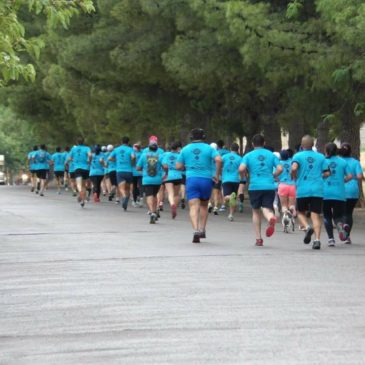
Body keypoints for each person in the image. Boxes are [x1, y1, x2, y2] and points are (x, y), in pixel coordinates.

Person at [176, 128, 222, 243]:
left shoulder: (185, 149)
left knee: (193, 206)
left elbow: (178, 166)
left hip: (191, 179)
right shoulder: (209, 148)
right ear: (204, 137)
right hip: (206, 179)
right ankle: (202, 229)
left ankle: (195, 230)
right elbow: (219, 160)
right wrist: (216, 174)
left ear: (191, 137)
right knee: (204, 205)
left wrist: (185, 166)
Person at [239, 134, 282, 246]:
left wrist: (242, 176)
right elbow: (280, 168)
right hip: (269, 186)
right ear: (264, 143)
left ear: (252, 144)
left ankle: (258, 239)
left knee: (256, 211)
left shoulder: (248, 156)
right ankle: (270, 217)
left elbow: (241, 168)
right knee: (267, 208)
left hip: (255, 186)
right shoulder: (271, 155)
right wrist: (274, 175)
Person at [291, 135, 329, 250]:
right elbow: (327, 173)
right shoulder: (321, 157)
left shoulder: (298, 155)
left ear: (302, 145)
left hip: (303, 189)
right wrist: (319, 176)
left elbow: (293, 168)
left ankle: (307, 228)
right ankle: (317, 241)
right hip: (317, 189)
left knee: (300, 212)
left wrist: (294, 175)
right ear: (313, 145)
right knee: (315, 215)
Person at [322, 142, 352, 246]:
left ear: (326, 150)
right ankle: (341, 225)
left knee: (327, 216)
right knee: (338, 216)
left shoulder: (323, 161)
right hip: (339, 193)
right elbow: (350, 176)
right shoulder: (343, 162)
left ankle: (331, 239)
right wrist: (342, 181)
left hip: (325, 193)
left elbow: (321, 175)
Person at [339, 142, 365, 244]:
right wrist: (354, 177)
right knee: (349, 213)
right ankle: (347, 235)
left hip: (340, 190)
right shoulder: (355, 162)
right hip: (353, 191)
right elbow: (359, 177)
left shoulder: (338, 161)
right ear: (351, 151)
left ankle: (342, 227)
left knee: (339, 213)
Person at [136, 139, 164, 223]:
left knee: (149, 195)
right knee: (154, 195)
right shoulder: (160, 156)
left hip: (147, 179)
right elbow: (165, 166)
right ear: (156, 148)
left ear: (149, 148)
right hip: (158, 180)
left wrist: (143, 170)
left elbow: (138, 168)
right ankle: (155, 211)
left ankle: (152, 212)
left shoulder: (144, 155)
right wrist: (165, 172)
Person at [108, 136, 135, 211]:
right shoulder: (130, 149)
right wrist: (132, 162)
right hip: (129, 171)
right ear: (128, 142)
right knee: (127, 188)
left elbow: (109, 158)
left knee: (121, 188)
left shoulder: (116, 149)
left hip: (120, 171)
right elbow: (133, 157)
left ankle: (124, 197)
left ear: (121, 141)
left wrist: (116, 160)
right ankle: (125, 204)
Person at [68, 137, 92, 207]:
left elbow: (69, 158)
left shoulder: (73, 149)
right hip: (86, 168)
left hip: (77, 168)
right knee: (84, 185)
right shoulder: (87, 148)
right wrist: (89, 161)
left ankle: (80, 193)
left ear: (77, 142)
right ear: (83, 142)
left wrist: (71, 160)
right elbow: (90, 155)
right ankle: (83, 201)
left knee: (79, 184)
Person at [162, 141, 183, 219]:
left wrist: (166, 171)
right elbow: (182, 166)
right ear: (178, 148)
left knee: (170, 193)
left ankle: (172, 204)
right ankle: (175, 208)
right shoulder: (180, 155)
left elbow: (164, 165)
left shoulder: (166, 155)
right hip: (178, 176)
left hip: (168, 176)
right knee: (176, 194)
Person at [221, 142, 241, 221]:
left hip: (226, 179)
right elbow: (242, 169)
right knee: (234, 198)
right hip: (236, 180)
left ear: (230, 149)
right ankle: (231, 214)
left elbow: (220, 164)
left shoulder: (224, 157)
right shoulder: (240, 158)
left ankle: (229, 197)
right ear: (238, 149)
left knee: (226, 197)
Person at [277, 149, 296, 230]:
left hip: (283, 185)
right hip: (292, 186)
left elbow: (276, 175)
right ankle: (292, 215)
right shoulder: (292, 162)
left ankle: (286, 217)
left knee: (284, 206)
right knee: (291, 205)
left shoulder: (279, 163)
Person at [132, 142, 143, 207]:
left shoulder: (132, 153)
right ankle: (141, 198)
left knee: (134, 187)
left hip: (134, 172)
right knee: (141, 186)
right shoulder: (143, 153)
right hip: (141, 172)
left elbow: (132, 163)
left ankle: (134, 200)